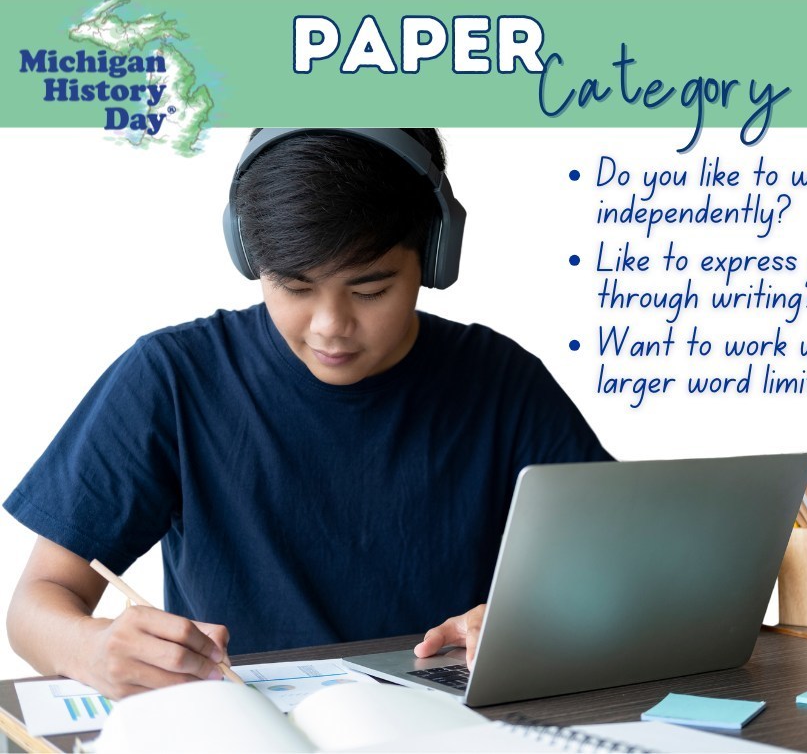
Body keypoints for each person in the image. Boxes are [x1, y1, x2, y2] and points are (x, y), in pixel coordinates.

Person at [4, 128, 611, 699]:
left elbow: (624, 579)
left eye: (370, 290)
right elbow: (37, 604)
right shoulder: (171, 377)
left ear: (434, 254)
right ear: (250, 256)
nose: (330, 328)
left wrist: (536, 621)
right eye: (294, 288)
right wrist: (93, 648)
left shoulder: (503, 384)